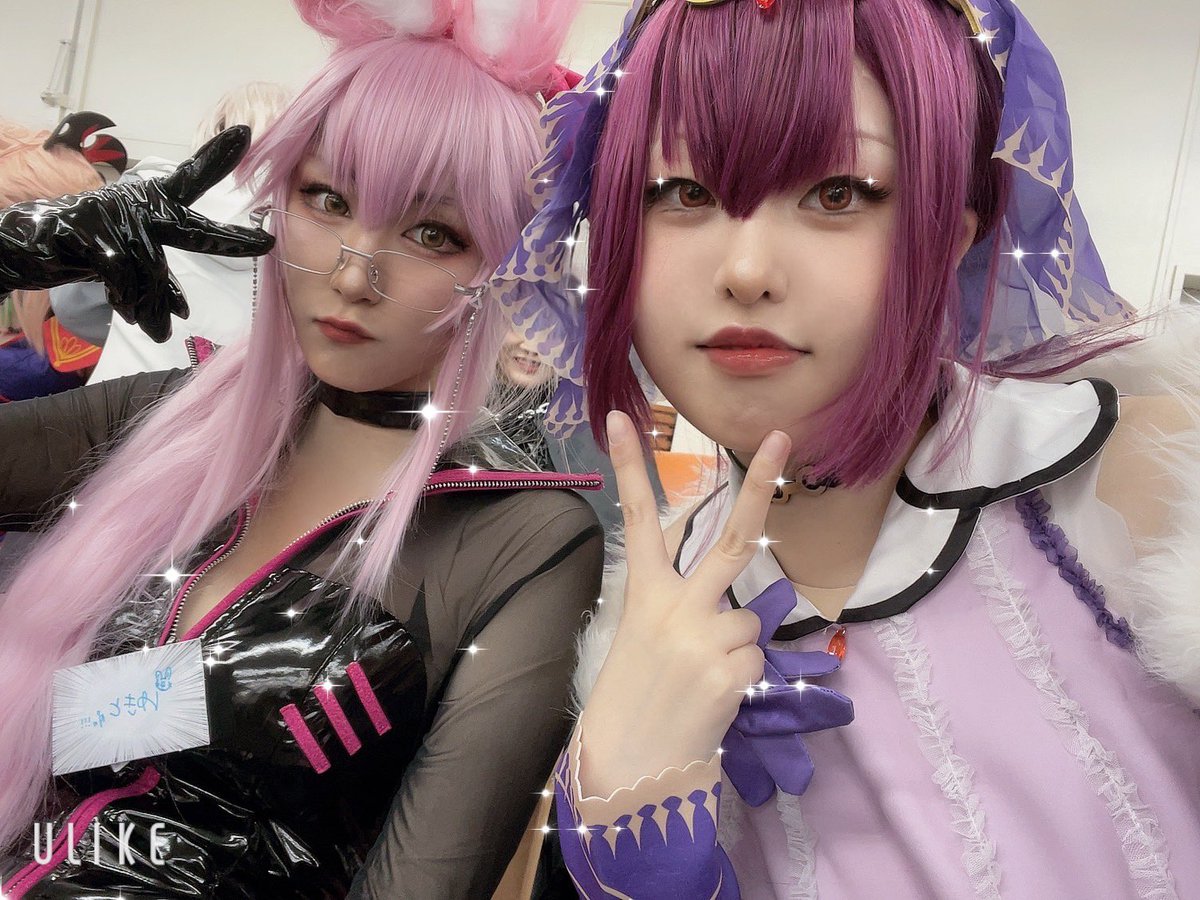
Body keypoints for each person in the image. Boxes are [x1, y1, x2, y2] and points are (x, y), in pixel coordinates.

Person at [491, 0, 1200, 896]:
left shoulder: (1141, 481)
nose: (747, 270)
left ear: (948, 234)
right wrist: (626, 837)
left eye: (838, 193)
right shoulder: (661, 592)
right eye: (683, 194)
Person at [0, 1, 602, 897]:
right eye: (328, 200)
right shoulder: (165, 415)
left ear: (499, 265)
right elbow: (52, 732)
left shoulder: (518, 542)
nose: (354, 274)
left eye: (432, 233)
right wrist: (11, 253)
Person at [50, 81, 292, 378]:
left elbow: (73, 304)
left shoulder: (139, 195)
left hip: (128, 390)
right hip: (246, 395)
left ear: (214, 130)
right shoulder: (305, 220)